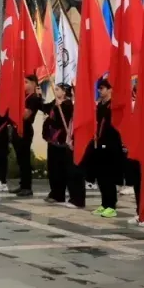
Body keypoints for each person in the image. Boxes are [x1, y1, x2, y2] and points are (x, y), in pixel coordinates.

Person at [43, 84, 84, 208]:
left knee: (62, 169)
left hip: (62, 140)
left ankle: (63, 194)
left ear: (65, 92)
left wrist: (55, 111)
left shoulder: (67, 105)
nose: (55, 91)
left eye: (57, 89)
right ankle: (55, 192)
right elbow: (45, 108)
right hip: (52, 140)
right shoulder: (54, 103)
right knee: (53, 168)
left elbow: (61, 121)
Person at [91, 78, 122, 219]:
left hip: (111, 145)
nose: (100, 90)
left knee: (109, 177)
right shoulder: (99, 106)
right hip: (99, 144)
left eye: (102, 88)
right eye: (99, 88)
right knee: (101, 176)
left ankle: (111, 206)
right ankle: (104, 203)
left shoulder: (114, 106)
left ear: (110, 89)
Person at [15, 76, 43, 196]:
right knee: (20, 160)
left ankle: (27, 187)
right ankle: (22, 184)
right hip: (17, 128)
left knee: (25, 159)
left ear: (33, 84)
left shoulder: (33, 98)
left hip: (25, 129)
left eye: (26, 82)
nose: (23, 84)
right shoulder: (23, 96)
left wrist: (15, 110)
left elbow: (25, 115)